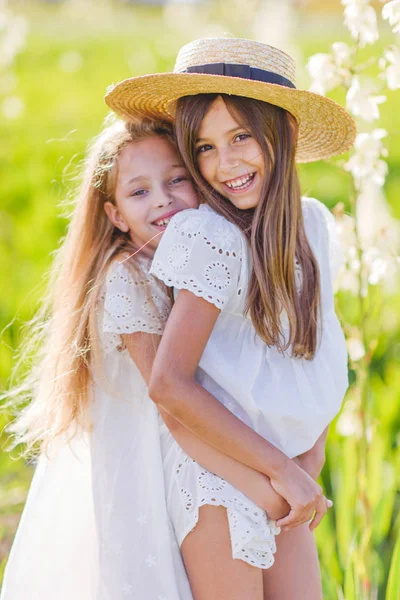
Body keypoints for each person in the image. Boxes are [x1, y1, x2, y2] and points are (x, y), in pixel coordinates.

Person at [1, 116, 301, 600]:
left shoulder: (193, 260)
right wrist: (270, 487)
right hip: (171, 479)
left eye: (176, 179)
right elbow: (171, 403)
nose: (162, 199)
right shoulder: (128, 276)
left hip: (209, 466)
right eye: (139, 192)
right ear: (116, 215)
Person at [105, 36, 356, 600]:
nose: (226, 163)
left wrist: (305, 460)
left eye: (241, 136)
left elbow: (317, 353)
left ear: (284, 134)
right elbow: (170, 384)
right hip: (220, 472)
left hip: (281, 469)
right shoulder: (208, 237)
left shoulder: (313, 223)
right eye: (204, 148)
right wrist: (285, 475)